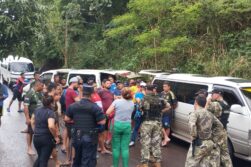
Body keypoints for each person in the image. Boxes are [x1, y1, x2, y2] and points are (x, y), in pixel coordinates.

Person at [64, 84, 106, 167]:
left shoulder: (73, 106)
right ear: (91, 95)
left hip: (76, 136)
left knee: (77, 158)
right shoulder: (95, 107)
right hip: (90, 137)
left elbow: (66, 119)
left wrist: (75, 119)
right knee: (87, 159)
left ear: (82, 94)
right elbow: (102, 122)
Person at [137, 85, 170, 167]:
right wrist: (161, 111)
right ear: (153, 90)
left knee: (146, 144)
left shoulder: (144, 98)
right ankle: (157, 163)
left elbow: (139, 108)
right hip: (158, 123)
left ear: (147, 90)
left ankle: (144, 164)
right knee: (156, 143)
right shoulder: (160, 98)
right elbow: (168, 106)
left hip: (147, 123)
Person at [185, 95, 222, 167]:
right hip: (209, 143)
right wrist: (214, 137)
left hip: (199, 143)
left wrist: (193, 136)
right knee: (204, 165)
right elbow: (220, 126)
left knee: (190, 164)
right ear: (205, 103)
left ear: (195, 102)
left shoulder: (195, 113)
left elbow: (192, 125)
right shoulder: (210, 114)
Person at [106, 88, 134, 167]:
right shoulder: (132, 103)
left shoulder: (117, 102)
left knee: (115, 148)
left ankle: (115, 165)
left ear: (121, 94)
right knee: (125, 148)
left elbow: (107, 112)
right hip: (127, 125)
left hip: (117, 125)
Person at [31, 95, 60, 167]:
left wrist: (35, 130)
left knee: (40, 158)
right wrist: (56, 137)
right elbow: (51, 126)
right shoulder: (50, 112)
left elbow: (32, 121)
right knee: (43, 160)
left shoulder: (37, 110)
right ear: (52, 103)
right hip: (46, 139)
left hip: (36, 138)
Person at [206, 89, 233, 167]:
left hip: (216, 132)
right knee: (225, 153)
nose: (211, 95)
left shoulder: (216, 104)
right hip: (224, 131)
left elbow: (205, 112)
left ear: (218, 94)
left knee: (214, 153)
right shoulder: (226, 104)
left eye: (213, 94)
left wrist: (208, 101)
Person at [63, 77, 81, 165]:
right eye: (77, 83)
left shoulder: (67, 91)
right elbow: (80, 102)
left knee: (70, 140)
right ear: (73, 82)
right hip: (72, 119)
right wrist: (81, 92)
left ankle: (68, 159)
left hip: (69, 117)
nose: (78, 85)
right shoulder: (72, 91)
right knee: (73, 141)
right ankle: (71, 160)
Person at [23, 80, 44, 155]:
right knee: (30, 132)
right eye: (42, 86)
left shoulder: (40, 93)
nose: (43, 87)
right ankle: (29, 148)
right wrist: (27, 118)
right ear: (37, 85)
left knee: (41, 132)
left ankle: (43, 149)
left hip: (40, 116)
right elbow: (25, 107)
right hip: (32, 117)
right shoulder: (29, 93)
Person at [98, 79, 114, 154]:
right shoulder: (100, 91)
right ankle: (100, 147)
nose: (109, 84)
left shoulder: (111, 92)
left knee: (106, 129)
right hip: (101, 114)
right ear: (103, 84)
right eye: (107, 83)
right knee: (101, 130)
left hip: (109, 115)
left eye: (110, 83)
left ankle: (104, 144)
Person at [160, 81, 177, 146]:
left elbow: (175, 104)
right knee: (161, 125)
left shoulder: (171, 94)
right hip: (162, 112)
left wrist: (169, 109)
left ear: (169, 87)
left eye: (165, 86)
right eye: (163, 86)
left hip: (168, 113)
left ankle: (165, 140)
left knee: (167, 126)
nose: (164, 88)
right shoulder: (161, 93)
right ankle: (163, 138)